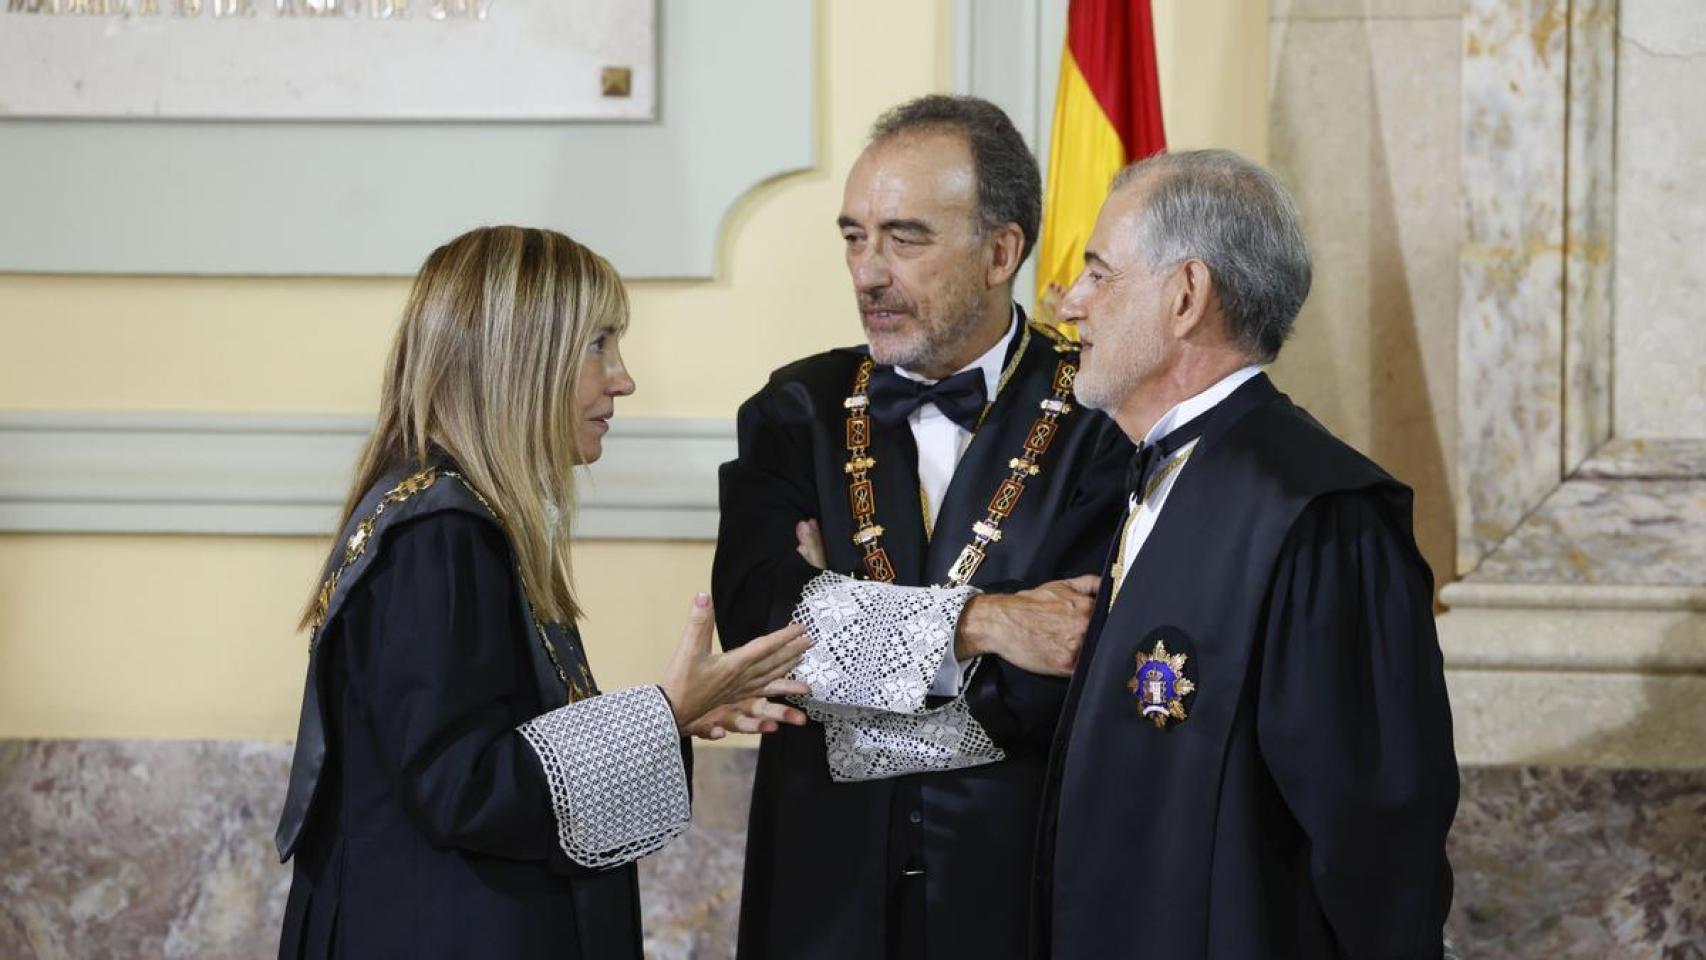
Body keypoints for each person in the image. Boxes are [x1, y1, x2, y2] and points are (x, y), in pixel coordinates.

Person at [273, 226, 813, 960]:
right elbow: (464, 790)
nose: (622, 379)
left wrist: (672, 720)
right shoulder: (439, 536)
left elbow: (495, 754)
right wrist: (663, 713)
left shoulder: (462, 520)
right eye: (597, 345)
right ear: (518, 357)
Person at [711, 95, 1131, 959]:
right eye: (853, 237)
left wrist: (842, 642)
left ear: (1001, 253)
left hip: (1017, 892)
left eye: (904, 239)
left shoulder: (1103, 419)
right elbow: (760, 630)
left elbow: (1064, 674)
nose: (868, 273)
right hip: (822, 895)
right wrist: (982, 624)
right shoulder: (795, 410)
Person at [1033, 150, 1459, 958]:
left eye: (1098, 273)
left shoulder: (1321, 517)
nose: (1070, 302)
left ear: (1186, 296)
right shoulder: (1149, 472)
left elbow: (1378, 840)